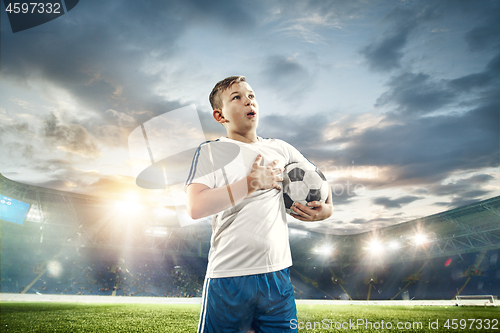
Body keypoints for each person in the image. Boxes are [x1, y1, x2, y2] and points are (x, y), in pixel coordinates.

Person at [185, 76, 333, 333]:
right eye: (237, 97)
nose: (248, 101)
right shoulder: (211, 152)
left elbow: (321, 184)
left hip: (277, 277)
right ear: (220, 116)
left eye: (251, 96)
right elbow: (195, 206)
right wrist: (252, 182)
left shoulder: (281, 148)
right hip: (229, 276)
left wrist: (326, 211)